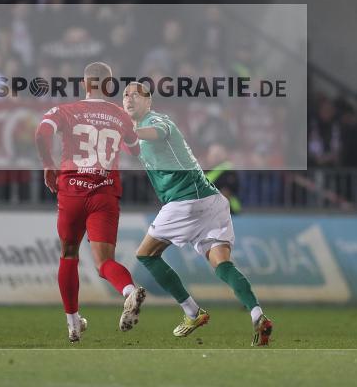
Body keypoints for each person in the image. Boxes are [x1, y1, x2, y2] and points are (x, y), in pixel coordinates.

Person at [122, 81, 274, 347]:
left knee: (146, 255)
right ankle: (257, 314)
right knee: (222, 264)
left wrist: (128, 129)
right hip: (212, 201)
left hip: (184, 201)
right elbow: (134, 145)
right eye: (125, 95)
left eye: (137, 95)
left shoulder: (157, 120)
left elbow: (157, 132)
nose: (129, 98)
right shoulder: (138, 133)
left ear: (149, 102)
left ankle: (192, 312)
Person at [34, 62, 145, 343]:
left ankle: (73, 323)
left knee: (68, 254)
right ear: (109, 86)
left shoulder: (65, 111)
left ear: (84, 84)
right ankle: (130, 292)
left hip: (71, 189)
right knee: (104, 262)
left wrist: (48, 165)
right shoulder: (120, 116)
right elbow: (135, 149)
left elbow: (41, 133)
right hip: (104, 193)